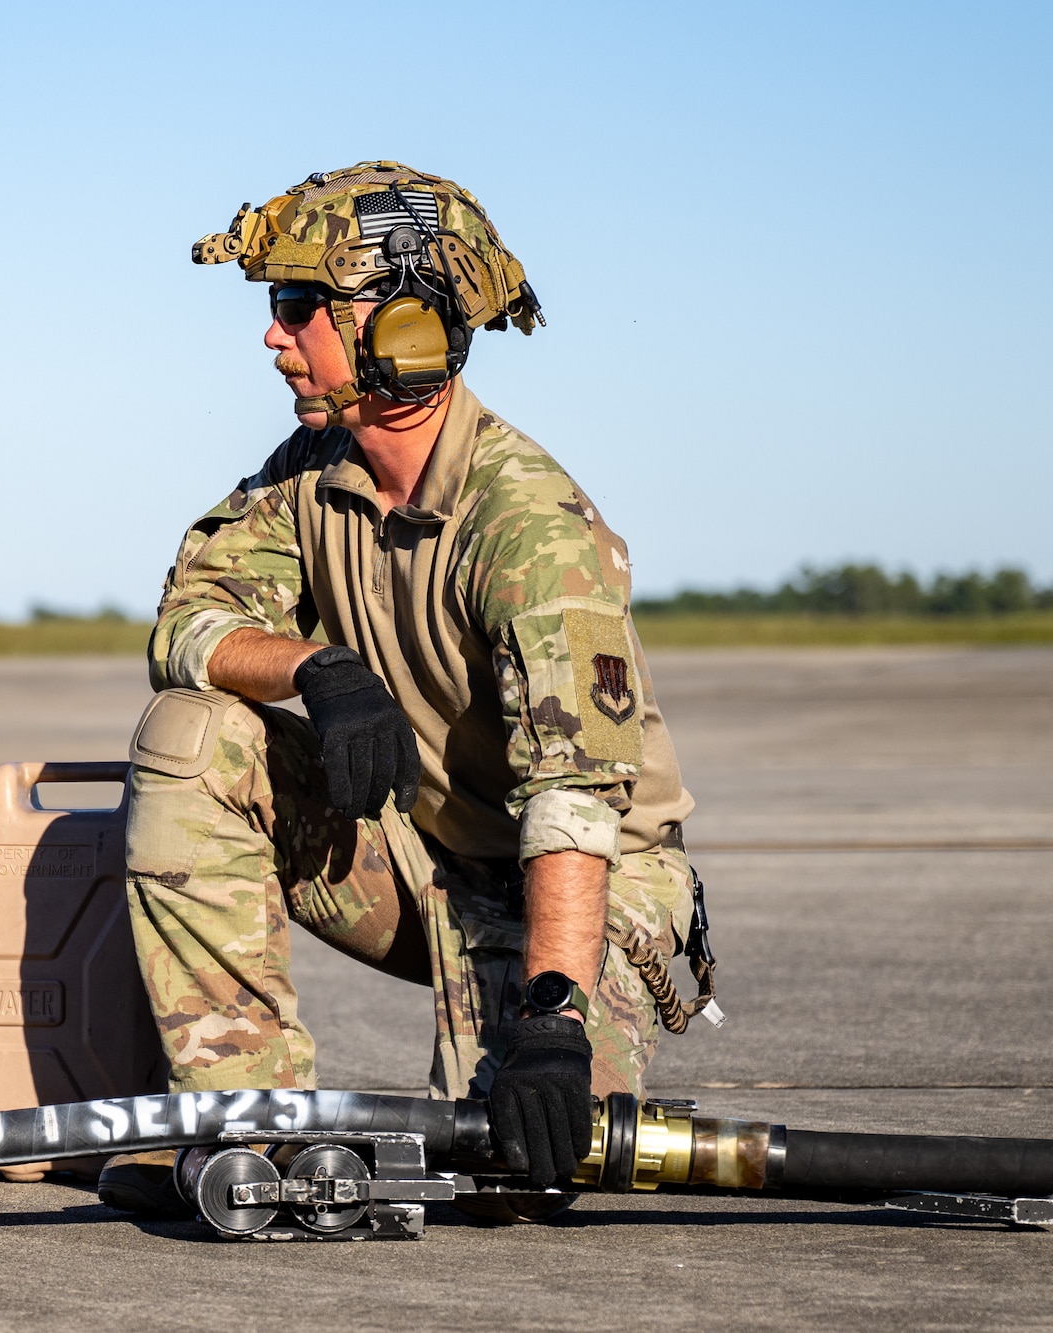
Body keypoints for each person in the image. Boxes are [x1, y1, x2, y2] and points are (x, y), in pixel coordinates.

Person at [99, 161, 717, 1216]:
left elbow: (572, 802)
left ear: (405, 331)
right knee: (190, 736)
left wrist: (555, 1018)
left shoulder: (529, 527)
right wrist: (316, 669)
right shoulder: (309, 472)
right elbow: (187, 624)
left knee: (511, 1172)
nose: (272, 336)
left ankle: (548, 1029)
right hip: (426, 868)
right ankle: (243, 1123)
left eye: (299, 306)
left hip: (586, 888)